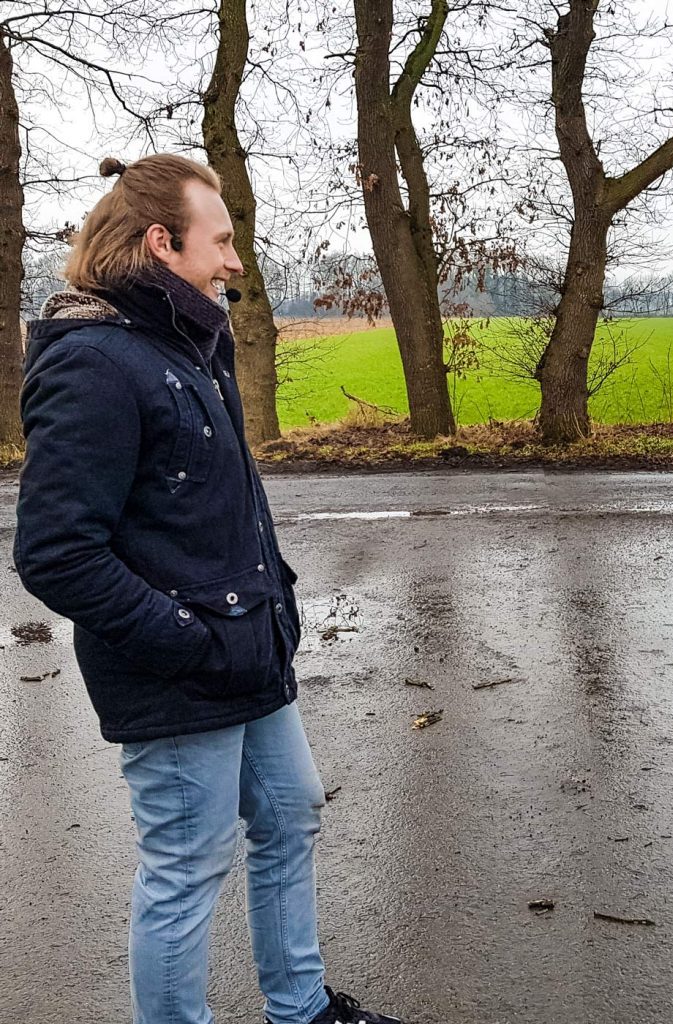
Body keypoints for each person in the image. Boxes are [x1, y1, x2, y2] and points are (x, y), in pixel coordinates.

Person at [14, 154, 402, 1024]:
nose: (235, 260)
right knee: (186, 866)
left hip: (247, 652)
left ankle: (300, 1008)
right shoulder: (97, 364)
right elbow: (54, 552)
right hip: (180, 670)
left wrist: (267, 619)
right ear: (162, 242)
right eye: (220, 241)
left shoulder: (186, 344)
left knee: (292, 814)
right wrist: (183, 644)